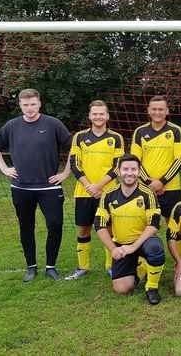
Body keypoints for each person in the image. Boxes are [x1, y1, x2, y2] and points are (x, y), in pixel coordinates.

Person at [0, 88, 72, 282]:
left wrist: (66, 172)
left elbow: (74, 148)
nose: (29, 108)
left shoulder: (53, 124)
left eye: (33, 104)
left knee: (55, 224)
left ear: (39, 103)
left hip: (49, 187)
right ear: (20, 105)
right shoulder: (12, 126)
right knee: (26, 227)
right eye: (25, 105)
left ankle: (51, 266)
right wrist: (4, 168)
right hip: (21, 188)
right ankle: (31, 267)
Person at [65, 100, 124, 280]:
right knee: (83, 229)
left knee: (109, 229)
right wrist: (89, 186)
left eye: (101, 114)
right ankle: (83, 267)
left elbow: (117, 166)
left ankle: (111, 266)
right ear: (90, 116)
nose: (98, 117)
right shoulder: (79, 137)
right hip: (84, 192)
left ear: (107, 116)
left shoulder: (116, 138)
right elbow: (75, 164)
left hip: (108, 193)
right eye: (95, 114)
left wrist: (98, 186)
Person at [94, 155, 165, 305]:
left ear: (139, 172)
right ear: (118, 171)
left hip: (143, 241)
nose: (129, 173)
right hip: (121, 245)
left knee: (155, 247)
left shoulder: (148, 193)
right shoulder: (108, 194)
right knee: (122, 289)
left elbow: (154, 224)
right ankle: (140, 269)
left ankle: (151, 287)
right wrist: (113, 249)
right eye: (125, 169)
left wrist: (134, 247)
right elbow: (99, 225)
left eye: (133, 169)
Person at [130, 95, 181, 235]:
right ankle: (145, 257)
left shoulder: (176, 131)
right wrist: (150, 182)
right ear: (148, 111)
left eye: (161, 109)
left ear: (167, 111)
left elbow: (180, 159)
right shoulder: (140, 132)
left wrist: (161, 182)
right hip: (145, 187)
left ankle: (179, 257)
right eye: (154, 109)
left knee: (175, 226)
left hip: (171, 187)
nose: (157, 112)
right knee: (144, 225)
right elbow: (134, 161)